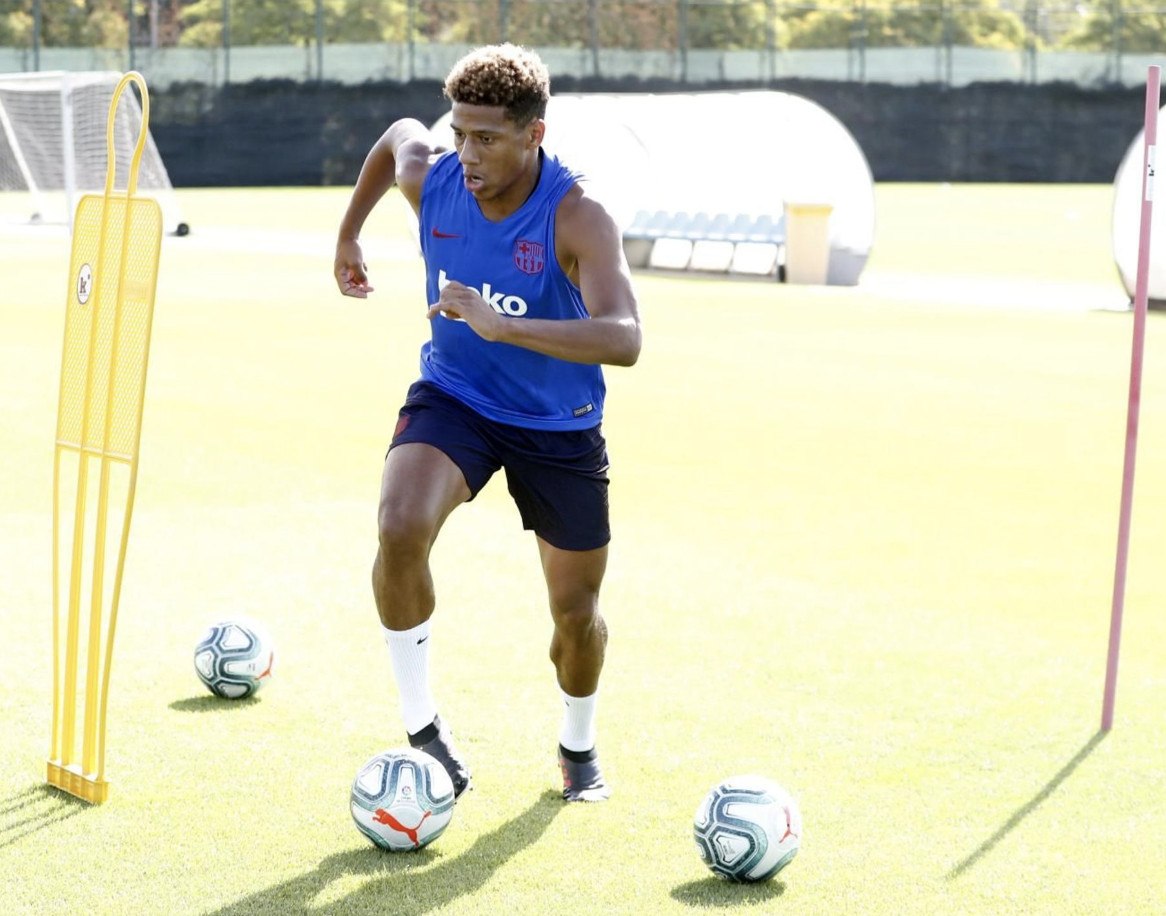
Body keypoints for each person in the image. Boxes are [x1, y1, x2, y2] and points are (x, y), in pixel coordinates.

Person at [333, 43, 641, 803]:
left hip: (558, 425)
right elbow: (397, 135)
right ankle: (423, 730)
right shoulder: (432, 178)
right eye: (461, 132)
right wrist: (348, 234)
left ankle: (578, 742)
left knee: (576, 615)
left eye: (488, 138)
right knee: (400, 524)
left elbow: (624, 336)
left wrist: (508, 327)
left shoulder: (578, 214)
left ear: (534, 134)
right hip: (457, 397)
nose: (467, 153)